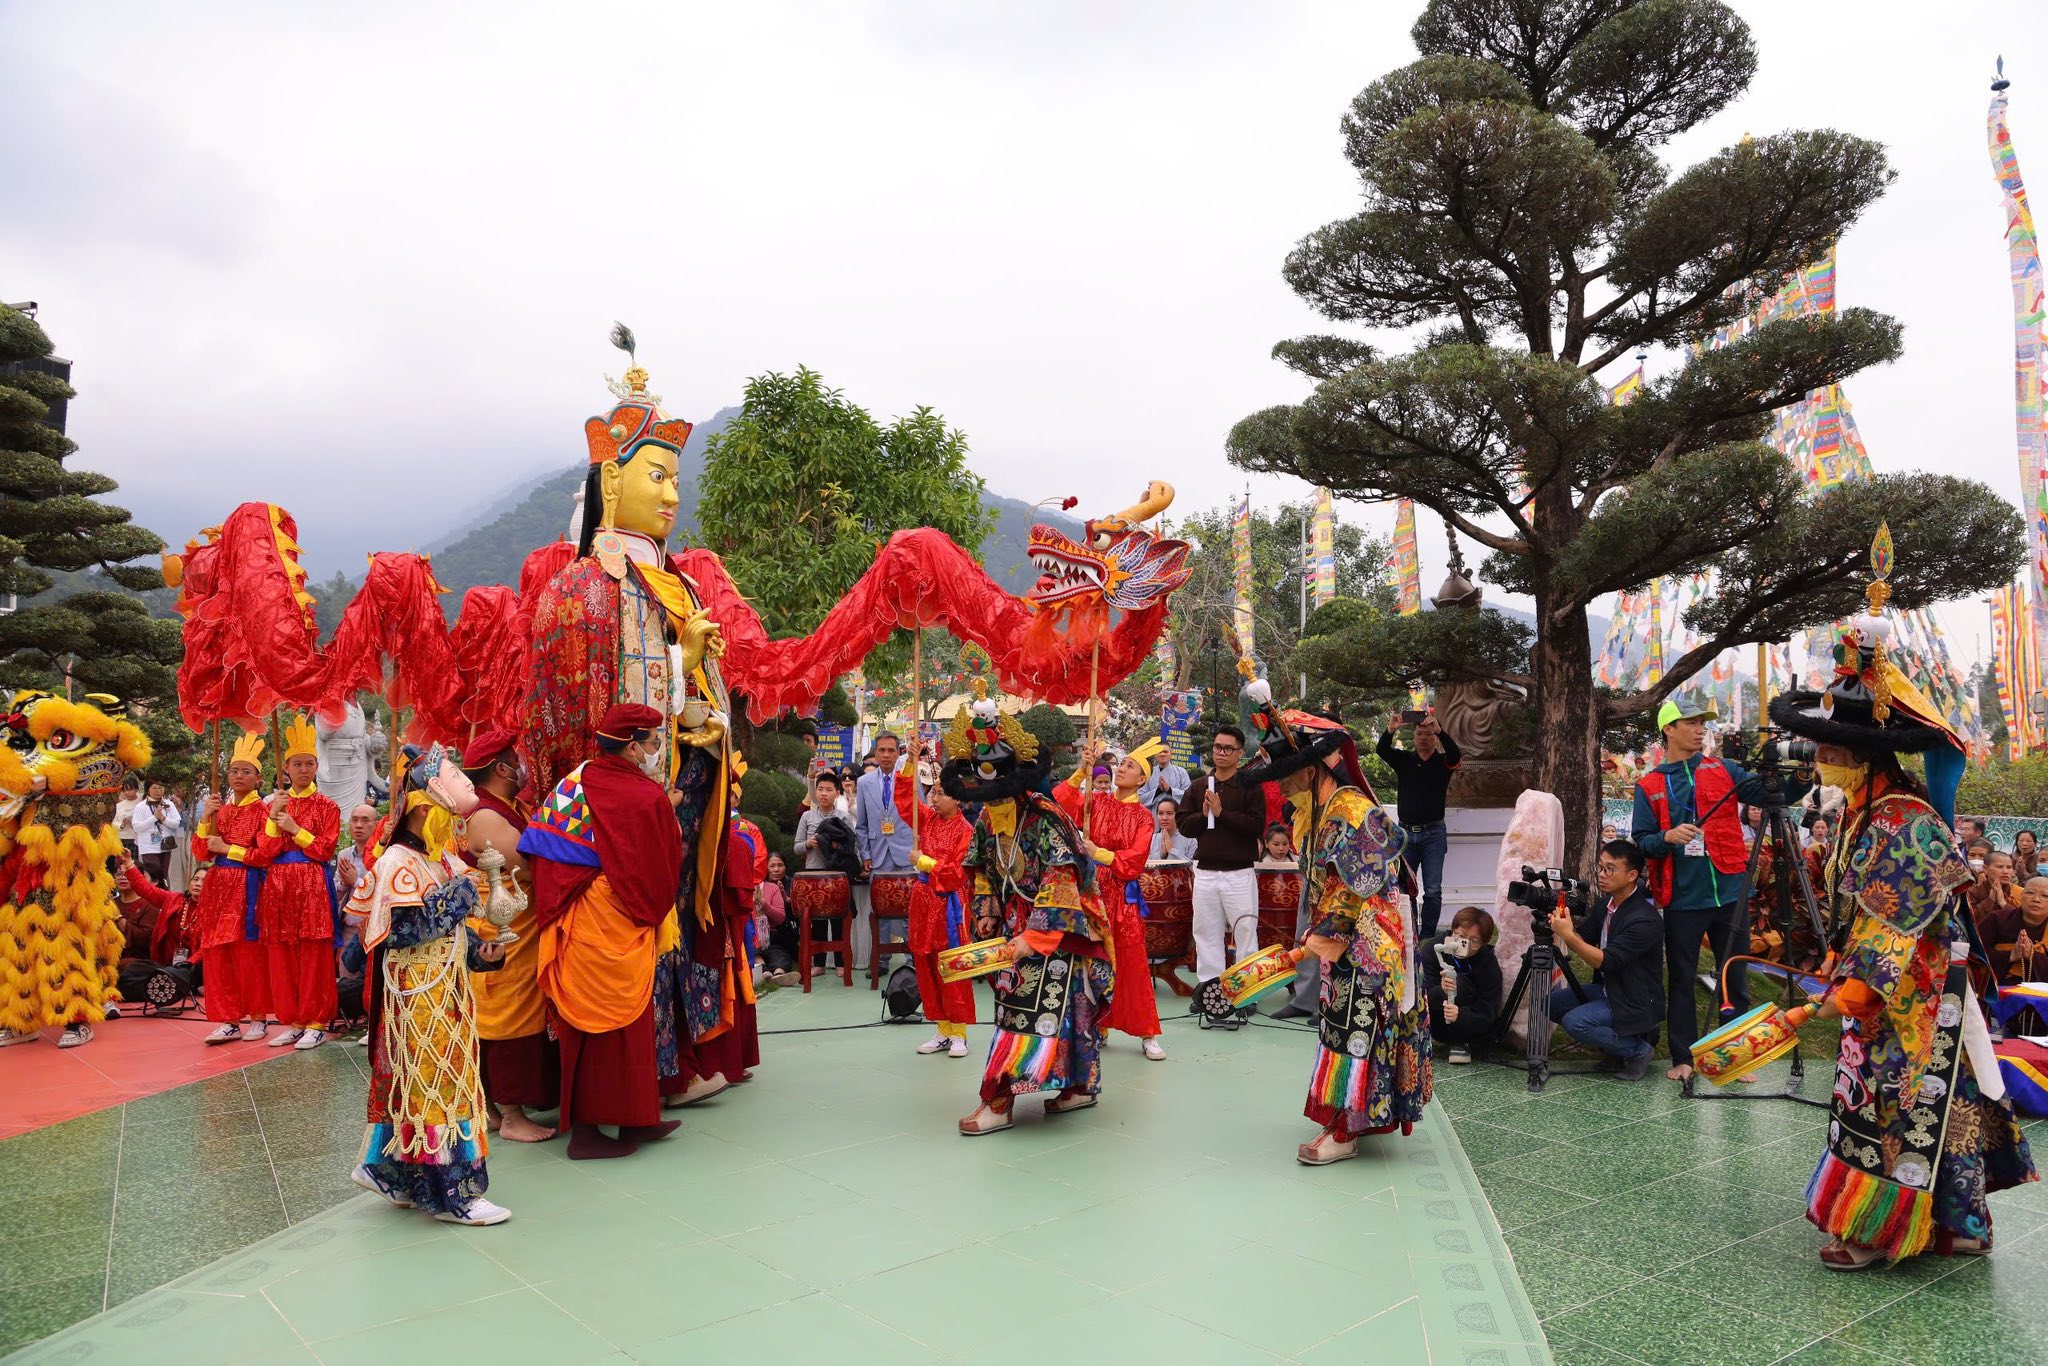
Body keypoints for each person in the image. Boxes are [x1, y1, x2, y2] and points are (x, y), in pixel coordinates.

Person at [1770, 611, 2035, 1270]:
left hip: (1910, 994)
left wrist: (1851, 989)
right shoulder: (1863, 812)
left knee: (1896, 1104)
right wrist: (1838, 963)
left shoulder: (1906, 823)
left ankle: (1874, 1228)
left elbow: (1896, 925)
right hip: (1889, 986)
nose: (1819, 760)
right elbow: (1858, 912)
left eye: (1828, 750)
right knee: (1939, 1101)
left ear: (1860, 756)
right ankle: (1962, 1224)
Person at [348, 742, 510, 1226]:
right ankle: (456, 1195)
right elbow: (402, 931)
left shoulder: (439, 861)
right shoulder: (397, 861)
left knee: (430, 1085)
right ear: (426, 805)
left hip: (444, 990)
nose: (466, 782)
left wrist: (482, 954)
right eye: (456, 777)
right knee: (439, 1087)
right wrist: (461, 895)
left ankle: (402, 1176)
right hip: (418, 997)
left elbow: (449, 933)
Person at [1262, 712, 1430, 1167]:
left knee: (1358, 1025)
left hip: (1371, 938)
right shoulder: (1317, 810)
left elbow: (1355, 891)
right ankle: (1347, 1116)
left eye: (1286, 772)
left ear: (1312, 768)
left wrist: (1307, 946)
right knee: (1340, 1023)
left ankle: (1347, 1129)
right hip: (1345, 937)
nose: (1280, 783)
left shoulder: (1351, 812)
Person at [521, 704, 686, 1160]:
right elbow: (664, 867)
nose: (656, 750)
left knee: (605, 1029)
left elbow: (542, 857)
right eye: (653, 742)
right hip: (619, 920)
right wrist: (633, 898)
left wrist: (584, 886)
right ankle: (587, 1136)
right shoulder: (646, 797)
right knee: (615, 1030)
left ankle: (638, 1118)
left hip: (582, 920)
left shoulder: (571, 786)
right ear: (632, 747)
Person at [947, 693, 1111, 1137]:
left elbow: (1062, 877)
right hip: (1014, 926)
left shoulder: (1046, 817)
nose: (990, 803)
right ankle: (1012, 1095)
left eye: (997, 794)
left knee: (1061, 1009)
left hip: (1060, 929)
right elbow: (982, 870)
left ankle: (1022, 1096)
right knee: (1012, 1008)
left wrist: (1033, 937)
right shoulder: (987, 819)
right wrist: (987, 911)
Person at [1632, 698, 1808, 1082]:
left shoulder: (1724, 769)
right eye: (1691, 723)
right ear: (1668, 729)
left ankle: (1734, 1058)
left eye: (1702, 723)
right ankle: (1683, 1057)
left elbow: (1773, 794)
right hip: (1683, 898)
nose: (1700, 730)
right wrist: (1667, 837)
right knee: (1681, 980)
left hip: (1730, 892)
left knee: (1735, 978)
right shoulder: (1649, 785)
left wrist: (1803, 776)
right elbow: (1642, 840)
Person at [0, 690, 151, 1051]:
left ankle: (78, 1018)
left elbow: (117, 762)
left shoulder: (86, 760)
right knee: (17, 942)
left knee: (65, 941)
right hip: (24, 869)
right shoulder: (22, 759)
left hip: (70, 877)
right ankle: (21, 1020)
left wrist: (48, 783)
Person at [459, 727, 557, 1145]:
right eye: (517, 761)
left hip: (521, 929)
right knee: (508, 1018)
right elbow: (529, 867)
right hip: (504, 932)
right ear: (501, 769)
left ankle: (495, 1110)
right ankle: (513, 1115)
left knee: (518, 1013)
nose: (523, 767)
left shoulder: (508, 806)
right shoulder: (484, 815)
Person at [1054, 739, 1169, 1062]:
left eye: (1130, 766)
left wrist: (1099, 853)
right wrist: (1081, 770)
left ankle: (1147, 1032)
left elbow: (1134, 860)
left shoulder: (1143, 818)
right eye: (1123, 763)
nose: (1122, 769)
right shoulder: (1097, 802)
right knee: (1092, 960)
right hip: (1093, 892)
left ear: (1142, 779)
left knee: (1131, 961)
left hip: (1122, 894)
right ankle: (1097, 1026)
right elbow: (1060, 801)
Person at [253, 714, 342, 1052]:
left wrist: (294, 828)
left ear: (316, 767)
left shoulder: (328, 806)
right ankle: (293, 1020)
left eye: (309, 764)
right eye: (297, 764)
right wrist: (274, 818)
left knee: (313, 953)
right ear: (286, 769)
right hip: (278, 884)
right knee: (282, 953)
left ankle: (316, 1021)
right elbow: (265, 851)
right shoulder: (274, 805)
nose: (303, 769)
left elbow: (324, 849)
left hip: (311, 880)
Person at [1175, 726, 1274, 1029]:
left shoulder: (1249, 786)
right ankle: (1209, 991)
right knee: (1206, 932)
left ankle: (1245, 991)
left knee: (1245, 932)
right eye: (1217, 747)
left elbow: (1256, 826)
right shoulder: (1198, 786)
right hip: (1206, 871)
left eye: (1228, 748)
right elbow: (1184, 825)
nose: (1220, 752)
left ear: (1240, 753)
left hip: (1239, 872)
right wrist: (1203, 812)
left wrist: (1221, 813)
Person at [1546, 841, 1666, 1081]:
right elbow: (1585, 937)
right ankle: (1616, 1049)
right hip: (1608, 988)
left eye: (1610, 869)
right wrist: (1563, 925)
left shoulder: (1644, 919)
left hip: (1634, 997)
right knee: (1549, 1005)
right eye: (1600, 867)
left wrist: (1568, 936)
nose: (1602, 874)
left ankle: (1638, 1049)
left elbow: (1606, 961)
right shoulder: (1607, 904)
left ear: (1632, 875)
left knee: (1576, 1023)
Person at [193, 731, 278, 1044]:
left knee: (248, 953)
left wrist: (228, 849)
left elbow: (266, 854)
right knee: (217, 953)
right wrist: (205, 818)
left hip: (247, 884)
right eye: (234, 770)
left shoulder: (263, 812)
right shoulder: (220, 811)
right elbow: (201, 852)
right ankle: (228, 1019)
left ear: (258, 779)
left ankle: (258, 1017)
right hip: (218, 886)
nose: (238, 775)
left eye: (246, 771)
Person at [894, 755, 977, 1057]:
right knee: (926, 963)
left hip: (948, 904)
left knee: (952, 965)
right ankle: (942, 1028)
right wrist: (910, 761)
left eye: (942, 793)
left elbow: (957, 873)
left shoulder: (965, 830)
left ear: (957, 798)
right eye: (934, 792)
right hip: (923, 900)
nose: (935, 797)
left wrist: (925, 862)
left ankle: (959, 1032)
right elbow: (904, 800)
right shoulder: (927, 819)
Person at [1375, 709, 1462, 941]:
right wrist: (1391, 729)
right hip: (1405, 834)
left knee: (1432, 890)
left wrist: (1440, 731)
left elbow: (1456, 755)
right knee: (1406, 888)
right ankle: (1410, 932)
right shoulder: (1404, 760)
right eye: (1419, 734)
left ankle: (1427, 937)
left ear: (1435, 738)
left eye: (1428, 734)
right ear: (1413, 737)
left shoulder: (1442, 763)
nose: (1424, 738)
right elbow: (1381, 750)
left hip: (1433, 834)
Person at [856, 732, 915, 978]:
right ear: (875, 752)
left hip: (907, 853)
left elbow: (921, 815)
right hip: (878, 854)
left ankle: (912, 959)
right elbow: (861, 825)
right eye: (882, 750)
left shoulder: (909, 778)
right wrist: (865, 854)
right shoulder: (864, 783)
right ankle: (880, 959)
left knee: (910, 909)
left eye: (891, 750)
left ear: (898, 753)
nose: (886, 755)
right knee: (880, 910)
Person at [1426, 906, 1503, 1065]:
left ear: (1483, 943)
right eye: (1460, 936)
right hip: (1436, 1019)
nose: (1464, 944)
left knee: (1459, 982)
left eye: (1474, 941)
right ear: (1453, 930)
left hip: (1472, 1025)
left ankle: (1460, 1041)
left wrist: (1462, 1016)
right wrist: (1441, 991)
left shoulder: (1487, 961)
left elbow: (1489, 1008)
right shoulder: (1433, 949)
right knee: (1452, 982)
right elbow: (1421, 997)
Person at [1982, 876, 2048, 987]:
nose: (2036, 899)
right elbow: (1976, 954)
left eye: (2045, 896)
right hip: (1997, 989)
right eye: (2030, 893)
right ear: (2021, 896)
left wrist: (2031, 954)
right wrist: (2011, 955)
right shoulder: (1997, 919)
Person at [130, 780, 182, 885]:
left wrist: (163, 818)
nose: (158, 790)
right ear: (148, 790)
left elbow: (176, 823)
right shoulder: (141, 806)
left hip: (166, 845)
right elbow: (137, 827)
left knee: (164, 874)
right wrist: (154, 818)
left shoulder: (169, 804)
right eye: (154, 788)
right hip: (148, 846)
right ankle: (153, 894)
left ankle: (164, 893)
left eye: (161, 788)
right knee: (153, 875)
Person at [1969, 847, 2018, 931]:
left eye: (2009, 867)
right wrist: (1990, 900)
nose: (2005, 871)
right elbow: (1970, 920)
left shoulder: (2020, 892)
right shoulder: (1973, 892)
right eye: (2000, 867)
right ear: (1985, 869)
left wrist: (2003, 903)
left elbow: (2023, 921)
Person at [1150, 796, 1197, 861]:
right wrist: (1162, 855)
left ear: (1177, 816)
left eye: (1169, 813)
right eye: (1160, 813)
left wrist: (1172, 851)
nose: (1164, 818)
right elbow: (1145, 864)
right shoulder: (1151, 840)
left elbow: (1192, 865)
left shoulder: (1190, 840)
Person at [115, 777, 141, 861]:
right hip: (121, 838)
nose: (127, 793)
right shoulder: (119, 806)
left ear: (136, 789)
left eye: (130, 790)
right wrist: (121, 825)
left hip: (135, 839)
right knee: (121, 864)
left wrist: (133, 823)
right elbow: (114, 822)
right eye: (124, 790)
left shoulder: (141, 804)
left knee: (134, 864)